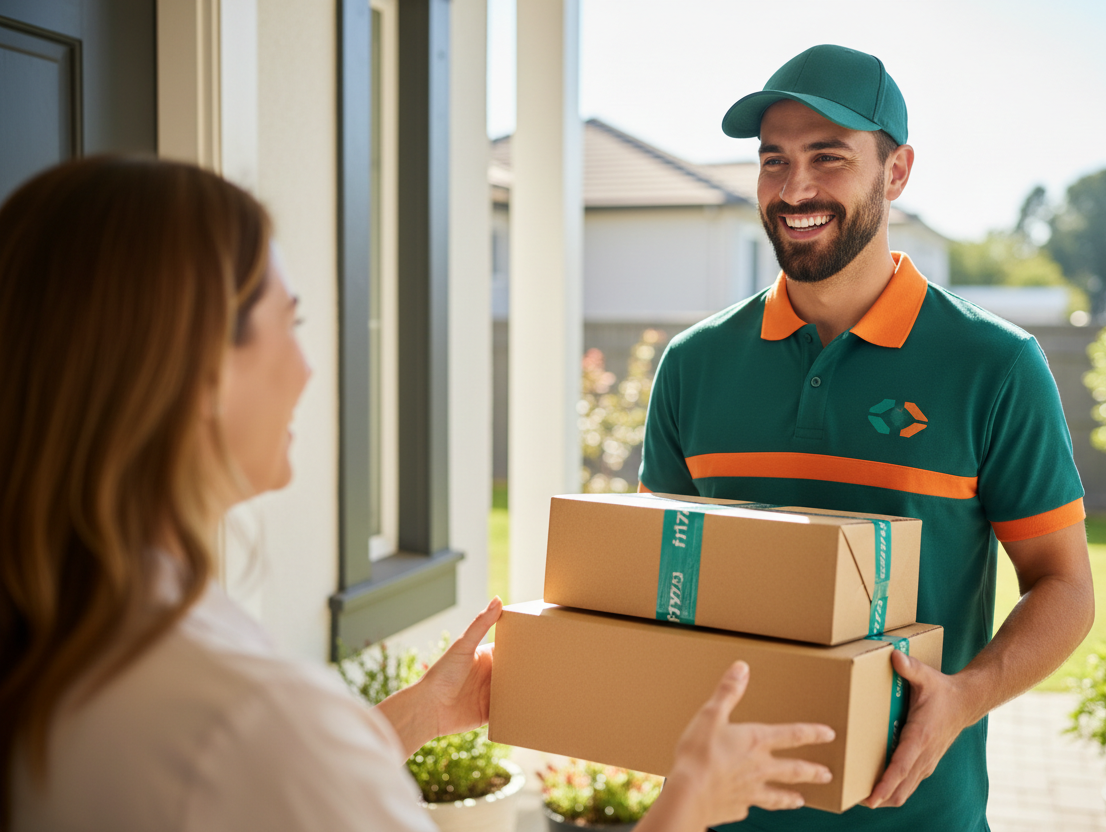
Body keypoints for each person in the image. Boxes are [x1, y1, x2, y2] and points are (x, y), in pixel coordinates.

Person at [0, 156, 837, 832]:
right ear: (189, 372)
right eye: (287, 325)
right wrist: (687, 805)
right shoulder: (244, 714)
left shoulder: (68, 641)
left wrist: (418, 716)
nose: (306, 369)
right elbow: (262, 758)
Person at [637, 44, 1096, 832]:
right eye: (773, 160)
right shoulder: (694, 365)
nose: (795, 188)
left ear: (897, 171)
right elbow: (664, 575)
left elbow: (1066, 587)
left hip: (918, 815)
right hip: (725, 816)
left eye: (828, 158)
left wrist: (965, 698)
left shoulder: (994, 365)